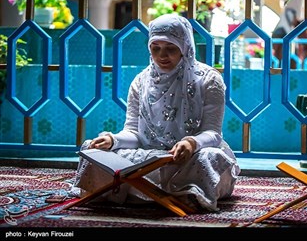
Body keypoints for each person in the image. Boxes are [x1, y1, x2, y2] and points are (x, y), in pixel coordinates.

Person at [70, 13, 241, 212]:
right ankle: (171, 194)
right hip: (151, 157)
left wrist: (191, 142)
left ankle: (143, 192)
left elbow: (213, 133)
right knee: (94, 149)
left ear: (185, 48)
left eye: (170, 48)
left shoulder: (208, 80)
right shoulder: (141, 81)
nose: (162, 56)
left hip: (188, 158)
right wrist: (113, 140)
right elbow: (134, 132)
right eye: (155, 48)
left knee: (208, 158)